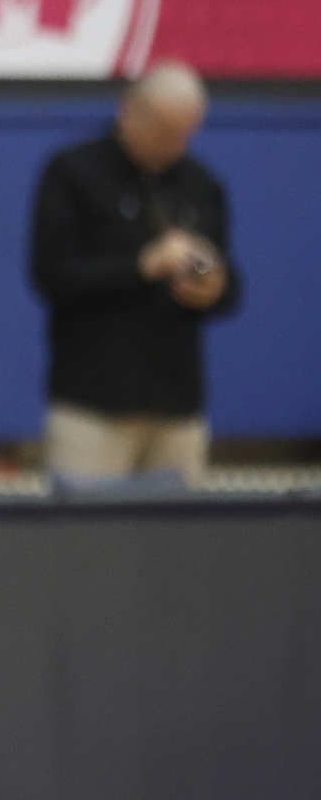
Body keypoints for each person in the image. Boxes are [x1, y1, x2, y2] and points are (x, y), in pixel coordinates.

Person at [30, 61, 240, 486]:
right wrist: (143, 266)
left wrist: (213, 287)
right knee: (87, 525)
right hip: (94, 404)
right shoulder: (74, 171)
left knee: (179, 525)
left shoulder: (200, 183)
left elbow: (230, 285)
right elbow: (51, 275)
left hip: (176, 403)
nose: (170, 146)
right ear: (128, 110)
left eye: (182, 134)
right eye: (161, 131)